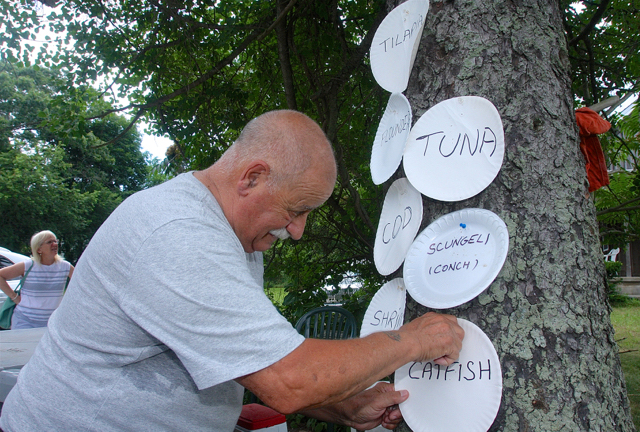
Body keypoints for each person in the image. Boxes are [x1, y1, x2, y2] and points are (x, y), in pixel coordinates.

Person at [0, 110, 464, 431]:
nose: (298, 231)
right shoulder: (178, 233)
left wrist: (347, 404)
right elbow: (288, 380)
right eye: (297, 209)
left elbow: (250, 360)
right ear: (253, 177)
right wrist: (415, 339)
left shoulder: (235, 238)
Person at [0, 230, 74, 329]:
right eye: (49, 242)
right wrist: (14, 297)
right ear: (39, 249)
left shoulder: (65, 266)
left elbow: (83, 282)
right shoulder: (28, 265)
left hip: (52, 323)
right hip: (24, 321)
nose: (54, 244)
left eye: (55, 241)